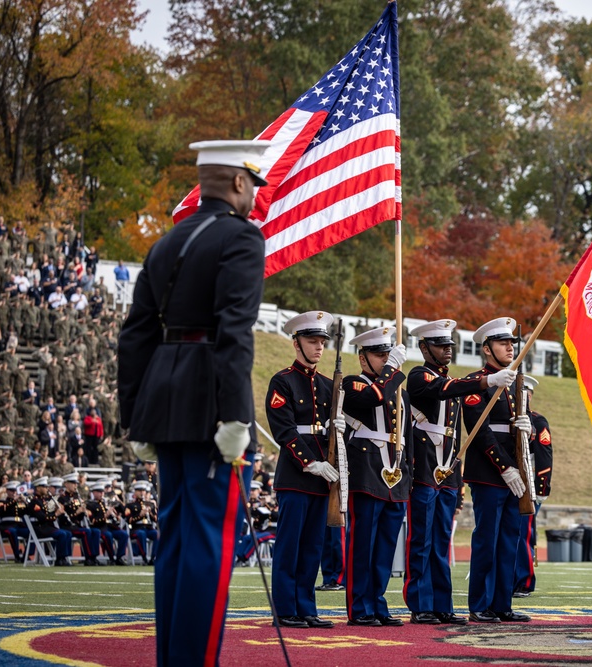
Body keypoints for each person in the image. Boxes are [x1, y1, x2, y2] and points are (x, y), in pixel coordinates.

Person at [117, 138, 269, 666]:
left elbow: (135, 335)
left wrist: (133, 417)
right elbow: (234, 332)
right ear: (237, 182)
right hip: (209, 402)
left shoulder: (165, 243)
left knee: (177, 541)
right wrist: (233, 415)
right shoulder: (242, 240)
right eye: (254, 184)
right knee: (210, 542)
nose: (255, 196)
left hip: (164, 401)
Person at [405, 319, 513, 625]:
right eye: (440, 345)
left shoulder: (451, 382)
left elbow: (453, 434)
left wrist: (458, 477)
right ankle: (421, 603)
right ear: (425, 348)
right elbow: (442, 389)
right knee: (422, 540)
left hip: (447, 471)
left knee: (441, 541)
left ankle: (442, 604)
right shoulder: (419, 375)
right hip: (424, 468)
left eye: (450, 345)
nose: (447, 350)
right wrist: (487, 382)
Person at [264, 310, 345, 629]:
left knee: (312, 547)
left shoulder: (328, 385)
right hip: (296, 477)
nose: (319, 347)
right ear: (296, 342)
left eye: (322, 342)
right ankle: (286, 609)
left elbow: (335, 433)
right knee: (289, 546)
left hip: (321, 480)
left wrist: (339, 428)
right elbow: (284, 431)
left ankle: (306, 607)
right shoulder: (282, 381)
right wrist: (311, 463)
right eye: (312, 341)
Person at [461, 317, 532, 624]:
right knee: (486, 539)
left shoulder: (515, 384)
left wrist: (525, 428)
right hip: (489, 473)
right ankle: (479, 604)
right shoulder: (479, 383)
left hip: (515, 474)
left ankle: (502, 604)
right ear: (487, 349)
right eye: (503, 343)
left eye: (511, 343)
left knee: (509, 542)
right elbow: (480, 432)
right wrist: (505, 468)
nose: (509, 348)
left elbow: (512, 430)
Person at [341, 326, 412, 627]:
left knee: (384, 546)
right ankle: (360, 607)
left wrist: (408, 471)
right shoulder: (352, 384)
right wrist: (394, 368)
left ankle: (378, 602)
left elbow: (406, 436)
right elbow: (373, 397)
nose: (384, 360)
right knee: (364, 544)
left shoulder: (399, 392)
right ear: (362, 358)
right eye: (378, 355)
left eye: (387, 354)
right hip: (367, 469)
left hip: (395, 475)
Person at [514, 376, 552, 597]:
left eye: (525, 395)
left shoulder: (538, 422)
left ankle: (524, 581)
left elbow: (544, 455)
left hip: (530, 487)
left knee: (524, 535)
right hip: (510, 482)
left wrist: (541, 488)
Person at [26, 476, 73, 565]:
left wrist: (56, 510)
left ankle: (64, 557)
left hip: (46, 527)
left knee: (68, 533)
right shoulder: (34, 501)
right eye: (44, 486)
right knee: (62, 534)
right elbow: (42, 517)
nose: (47, 488)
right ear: (38, 488)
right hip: (40, 528)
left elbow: (47, 514)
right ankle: (59, 559)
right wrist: (56, 514)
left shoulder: (43, 500)